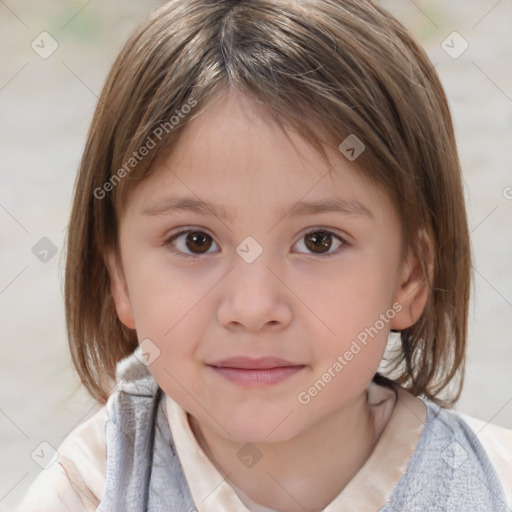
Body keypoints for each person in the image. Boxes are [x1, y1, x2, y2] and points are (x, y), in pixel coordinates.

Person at [17, 0, 512, 511]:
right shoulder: (86, 493)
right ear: (119, 278)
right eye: (195, 241)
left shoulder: (493, 485)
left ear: (410, 276)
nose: (253, 308)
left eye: (319, 241)